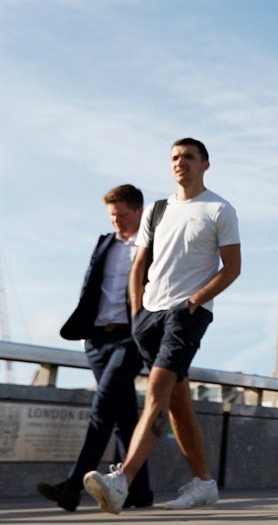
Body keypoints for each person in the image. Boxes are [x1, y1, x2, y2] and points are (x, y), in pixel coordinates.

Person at [83, 139, 241, 515]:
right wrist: (138, 313)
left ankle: (122, 480)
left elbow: (232, 269)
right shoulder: (157, 209)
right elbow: (140, 265)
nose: (179, 163)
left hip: (187, 313)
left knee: (156, 388)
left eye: (188, 157)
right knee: (177, 401)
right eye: (174, 157)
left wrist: (192, 303)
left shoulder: (220, 209)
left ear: (205, 163)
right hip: (150, 315)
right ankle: (204, 483)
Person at [36, 185, 153, 512]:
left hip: (131, 337)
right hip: (98, 338)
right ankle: (140, 491)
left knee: (103, 407)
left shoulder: (151, 245)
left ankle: (72, 485)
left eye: (122, 214)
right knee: (123, 417)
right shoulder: (104, 243)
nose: (116, 221)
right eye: (112, 215)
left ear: (138, 211)